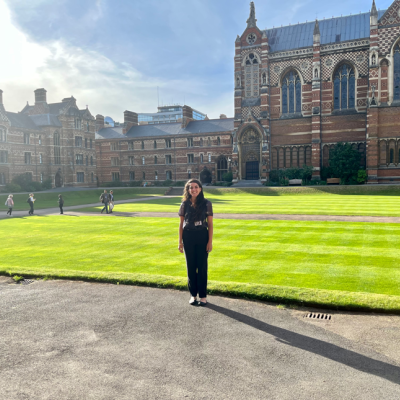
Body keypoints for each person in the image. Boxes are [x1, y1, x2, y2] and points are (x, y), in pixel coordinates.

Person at [178, 179, 213, 306]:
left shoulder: (207, 203)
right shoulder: (184, 204)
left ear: (200, 189)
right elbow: (181, 224)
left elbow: (210, 224)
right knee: (191, 267)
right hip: (188, 237)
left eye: (196, 187)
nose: (194, 189)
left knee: (202, 267)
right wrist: (180, 242)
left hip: (202, 236)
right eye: (191, 187)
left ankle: (203, 296)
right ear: (188, 190)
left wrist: (210, 241)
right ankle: (193, 295)